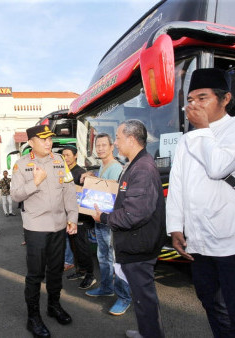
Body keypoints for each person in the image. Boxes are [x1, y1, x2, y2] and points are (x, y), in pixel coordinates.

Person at [166, 68, 235, 337]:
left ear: (225, 99)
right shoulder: (187, 140)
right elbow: (178, 185)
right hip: (200, 241)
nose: (194, 105)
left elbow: (218, 167)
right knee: (213, 307)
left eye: (203, 98)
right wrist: (175, 227)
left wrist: (201, 129)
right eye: (191, 100)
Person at [93, 120, 166, 338]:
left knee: (145, 298)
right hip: (135, 243)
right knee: (142, 298)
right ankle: (147, 331)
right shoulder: (135, 164)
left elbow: (135, 213)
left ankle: (151, 334)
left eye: (117, 137)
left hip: (139, 245)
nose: (115, 142)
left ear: (131, 139)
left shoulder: (142, 168)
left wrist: (104, 217)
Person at [11, 125, 78, 338]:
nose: (48, 143)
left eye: (50, 139)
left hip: (59, 225)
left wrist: (72, 217)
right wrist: (35, 182)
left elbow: (69, 190)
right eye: (43, 139)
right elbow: (15, 195)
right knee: (35, 274)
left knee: (56, 270)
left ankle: (54, 306)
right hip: (36, 227)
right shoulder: (21, 165)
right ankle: (33, 317)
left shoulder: (59, 161)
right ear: (31, 142)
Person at [82, 133, 132, 316]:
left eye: (104, 145)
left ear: (112, 147)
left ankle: (124, 297)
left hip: (110, 222)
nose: (100, 148)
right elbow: (101, 185)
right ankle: (106, 287)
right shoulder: (103, 167)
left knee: (116, 260)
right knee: (103, 256)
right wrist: (91, 175)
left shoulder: (117, 168)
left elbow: (116, 196)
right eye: (98, 145)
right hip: (100, 220)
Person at [61, 146, 96, 290]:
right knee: (74, 246)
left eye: (68, 155)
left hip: (81, 218)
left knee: (83, 247)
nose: (65, 158)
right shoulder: (64, 171)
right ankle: (80, 270)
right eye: (63, 155)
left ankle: (90, 275)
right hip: (69, 217)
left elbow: (86, 196)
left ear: (75, 156)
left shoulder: (81, 173)